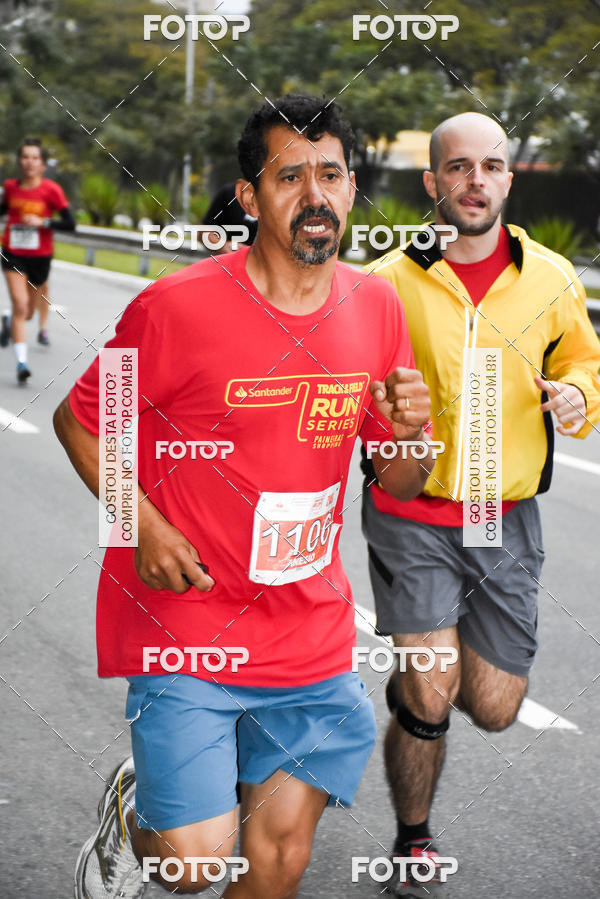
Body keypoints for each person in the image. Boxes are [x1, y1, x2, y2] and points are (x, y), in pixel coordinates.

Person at [54, 93, 436, 899]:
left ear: (352, 188)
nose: (315, 194)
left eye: (330, 173)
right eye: (289, 175)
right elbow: (83, 421)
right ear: (250, 196)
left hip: (308, 631)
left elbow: (397, 479)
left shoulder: (375, 307)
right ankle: (136, 813)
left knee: (278, 860)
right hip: (192, 621)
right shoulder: (175, 308)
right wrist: (144, 523)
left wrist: (412, 437)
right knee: (193, 864)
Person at [361, 111, 600, 896]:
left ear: (506, 178)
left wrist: (577, 395)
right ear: (433, 182)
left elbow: (586, 367)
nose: (476, 180)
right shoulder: (389, 281)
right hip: (412, 512)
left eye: (491, 166)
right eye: (458, 167)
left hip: (505, 516)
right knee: (432, 687)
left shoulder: (554, 278)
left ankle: (412, 682)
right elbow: (347, 385)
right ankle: (413, 838)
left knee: (494, 706)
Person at [0, 137, 75, 381]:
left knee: (28, 313)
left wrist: (42, 221)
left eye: (35, 158)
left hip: (40, 258)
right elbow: (3, 209)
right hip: (12, 252)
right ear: (19, 161)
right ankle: (22, 364)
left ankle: (8, 321)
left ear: (42, 164)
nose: (29, 162)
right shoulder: (11, 187)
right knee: (20, 304)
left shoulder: (51, 190)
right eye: (25, 157)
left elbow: (70, 223)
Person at [201, 180, 258, 253]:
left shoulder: (275, 198)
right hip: (234, 259)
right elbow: (205, 229)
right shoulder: (230, 192)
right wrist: (223, 245)